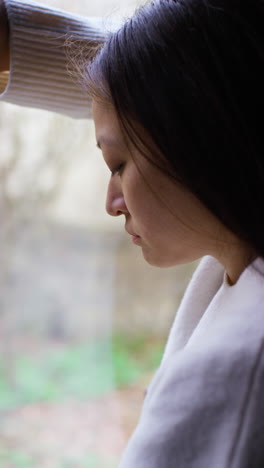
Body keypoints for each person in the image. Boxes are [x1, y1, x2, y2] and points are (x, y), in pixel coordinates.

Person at [1, 0, 264, 466]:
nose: (111, 204)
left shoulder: (242, 370)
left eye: (118, 165)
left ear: (199, 136)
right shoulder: (233, 273)